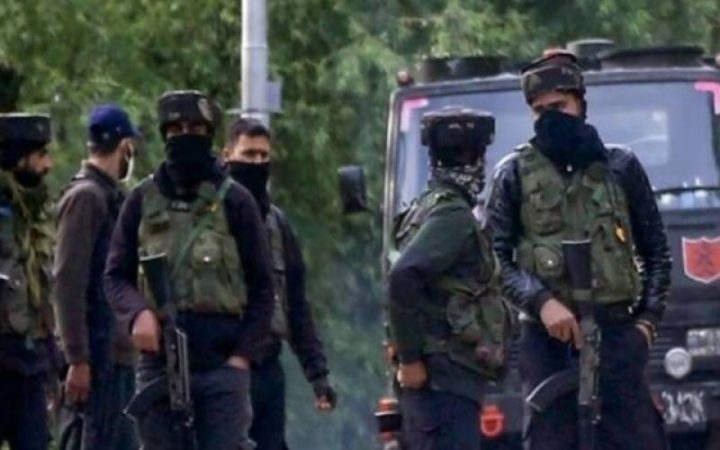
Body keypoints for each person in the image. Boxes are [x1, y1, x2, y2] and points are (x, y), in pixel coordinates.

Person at [487, 52, 671, 450]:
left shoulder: (621, 168)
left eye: (559, 107)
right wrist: (541, 302)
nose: (550, 118)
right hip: (548, 343)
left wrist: (646, 323)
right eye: (540, 111)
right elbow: (494, 260)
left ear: (580, 105)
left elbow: (657, 253)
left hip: (617, 335)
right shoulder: (513, 173)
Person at [104, 90, 274, 450]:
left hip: (221, 369)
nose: (185, 135)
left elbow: (263, 288)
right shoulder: (141, 200)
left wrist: (242, 358)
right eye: (176, 128)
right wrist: (137, 315)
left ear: (209, 134)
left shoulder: (236, 201)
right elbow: (115, 275)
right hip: (158, 365)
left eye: (195, 128)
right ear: (164, 134)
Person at [388, 107, 509, 450]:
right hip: (445, 381)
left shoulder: (423, 206)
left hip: (438, 383)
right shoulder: (453, 214)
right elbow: (403, 276)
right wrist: (411, 359)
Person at [223, 118, 337, 449]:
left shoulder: (276, 225)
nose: (257, 163)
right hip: (225, 364)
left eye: (263, 156)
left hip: (267, 365)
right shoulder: (213, 219)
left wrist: (318, 374)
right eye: (248, 155)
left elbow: (296, 305)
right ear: (227, 155)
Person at [53, 104, 139, 449]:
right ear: (124, 146)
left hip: (116, 357)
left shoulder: (111, 198)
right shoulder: (86, 198)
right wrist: (77, 358)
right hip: (96, 359)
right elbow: (67, 281)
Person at [0, 113, 55, 450]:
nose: (48, 165)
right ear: (17, 159)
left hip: (30, 366)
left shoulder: (36, 215)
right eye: (40, 155)